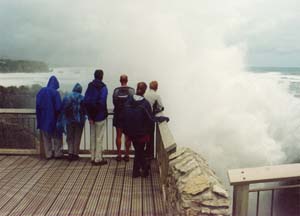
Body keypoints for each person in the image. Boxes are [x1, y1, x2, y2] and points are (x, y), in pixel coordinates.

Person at [123, 82, 169, 178]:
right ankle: (139, 171)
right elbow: (150, 118)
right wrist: (162, 118)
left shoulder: (129, 100)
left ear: (137, 89)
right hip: (141, 132)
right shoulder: (145, 104)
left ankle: (142, 169)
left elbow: (124, 114)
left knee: (138, 151)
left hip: (130, 132)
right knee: (139, 151)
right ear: (144, 91)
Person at [84, 69, 108, 166]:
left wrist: (90, 115)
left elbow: (85, 101)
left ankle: (92, 156)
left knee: (92, 136)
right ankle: (98, 159)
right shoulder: (103, 87)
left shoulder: (90, 86)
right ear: (102, 76)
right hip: (100, 116)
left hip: (91, 117)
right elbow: (102, 102)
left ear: (94, 76)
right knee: (99, 137)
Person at [36, 76, 63, 159]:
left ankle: (48, 154)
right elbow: (58, 107)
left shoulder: (41, 91)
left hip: (43, 119)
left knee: (46, 138)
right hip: (54, 119)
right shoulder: (55, 93)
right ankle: (57, 153)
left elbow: (37, 105)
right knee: (57, 137)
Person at [58, 83, 86, 161]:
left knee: (70, 137)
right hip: (80, 121)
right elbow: (85, 110)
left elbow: (63, 108)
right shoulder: (83, 98)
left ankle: (70, 153)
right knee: (77, 137)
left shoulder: (67, 97)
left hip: (69, 120)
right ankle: (75, 154)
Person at [112, 74, 135, 162]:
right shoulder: (131, 90)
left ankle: (118, 154)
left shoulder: (116, 91)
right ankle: (127, 154)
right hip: (128, 117)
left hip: (118, 116)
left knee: (118, 136)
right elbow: (133, 103)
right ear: (127, 80)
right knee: (128, 136)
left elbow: (114, 103)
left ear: (120, 81)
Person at [144, 80, 164, 159]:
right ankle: (150, 154)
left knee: (145, 135)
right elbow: (161, 106)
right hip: (150, 118)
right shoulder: (156, 95)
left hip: (143, 118)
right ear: (156, 87)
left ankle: (145, 152)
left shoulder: (145, 94)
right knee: (151, 136)